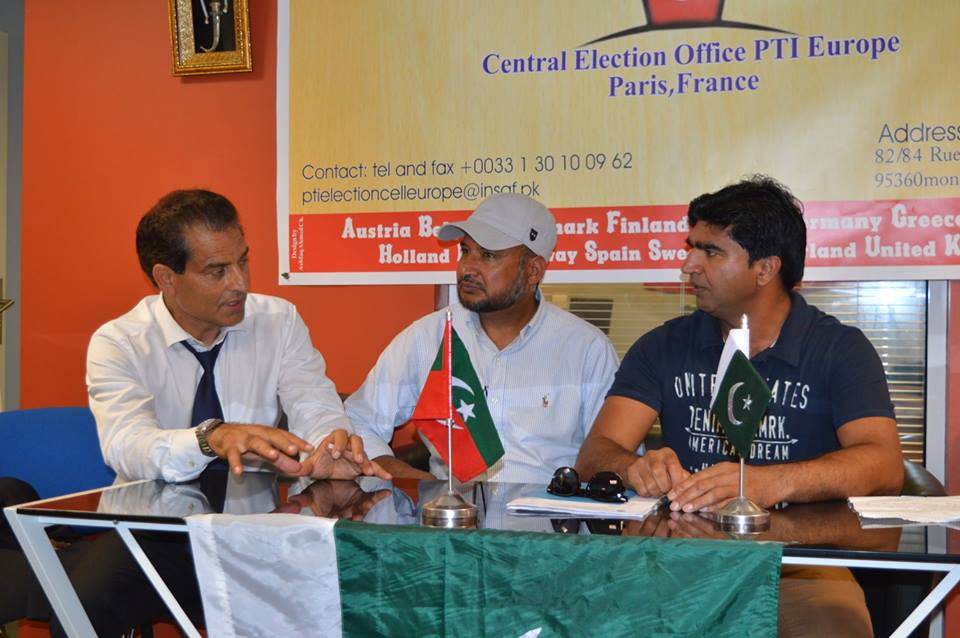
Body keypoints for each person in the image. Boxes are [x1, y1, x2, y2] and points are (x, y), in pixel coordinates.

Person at [2, 190, 387, 636]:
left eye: (243, 261)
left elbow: (314, 402)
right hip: (153, 536)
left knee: (349, 593)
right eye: (216, 271)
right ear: (166, 278)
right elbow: (127, 446)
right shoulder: (120, 342)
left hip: (259, 532)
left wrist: (328, 444)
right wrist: (210, 438)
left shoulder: (278, 321)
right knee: (84, 599)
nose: (239, 283)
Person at [575, 176, 903, 637]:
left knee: (834, 623)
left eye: (710, 252)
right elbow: (595, 453)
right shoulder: (663, 347)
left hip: (798, 562)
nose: (688, 265)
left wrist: (767, 482)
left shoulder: (839, 349)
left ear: (765, 269)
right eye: (691, 247)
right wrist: (635, 468)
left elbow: (884, 465)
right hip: (676, 557)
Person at [346, 192, 620, 483]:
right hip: (453, 510)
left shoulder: (587, 350)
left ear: (533, 270)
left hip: (547, 510)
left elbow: (610, 457)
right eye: (465, 251)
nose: (467, 268)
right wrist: (421, 485)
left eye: (489, 255)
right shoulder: (428, 337)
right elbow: (358, 422)